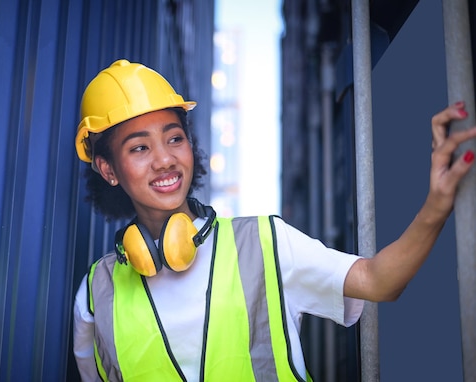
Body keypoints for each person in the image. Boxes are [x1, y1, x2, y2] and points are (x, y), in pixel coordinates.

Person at [72, 59, 476, 381]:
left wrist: (437, 204)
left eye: (174, 137)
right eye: (139, 147)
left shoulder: (263, 243)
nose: (165, 159)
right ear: (108, 170)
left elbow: (378, 281)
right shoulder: (96, 295)